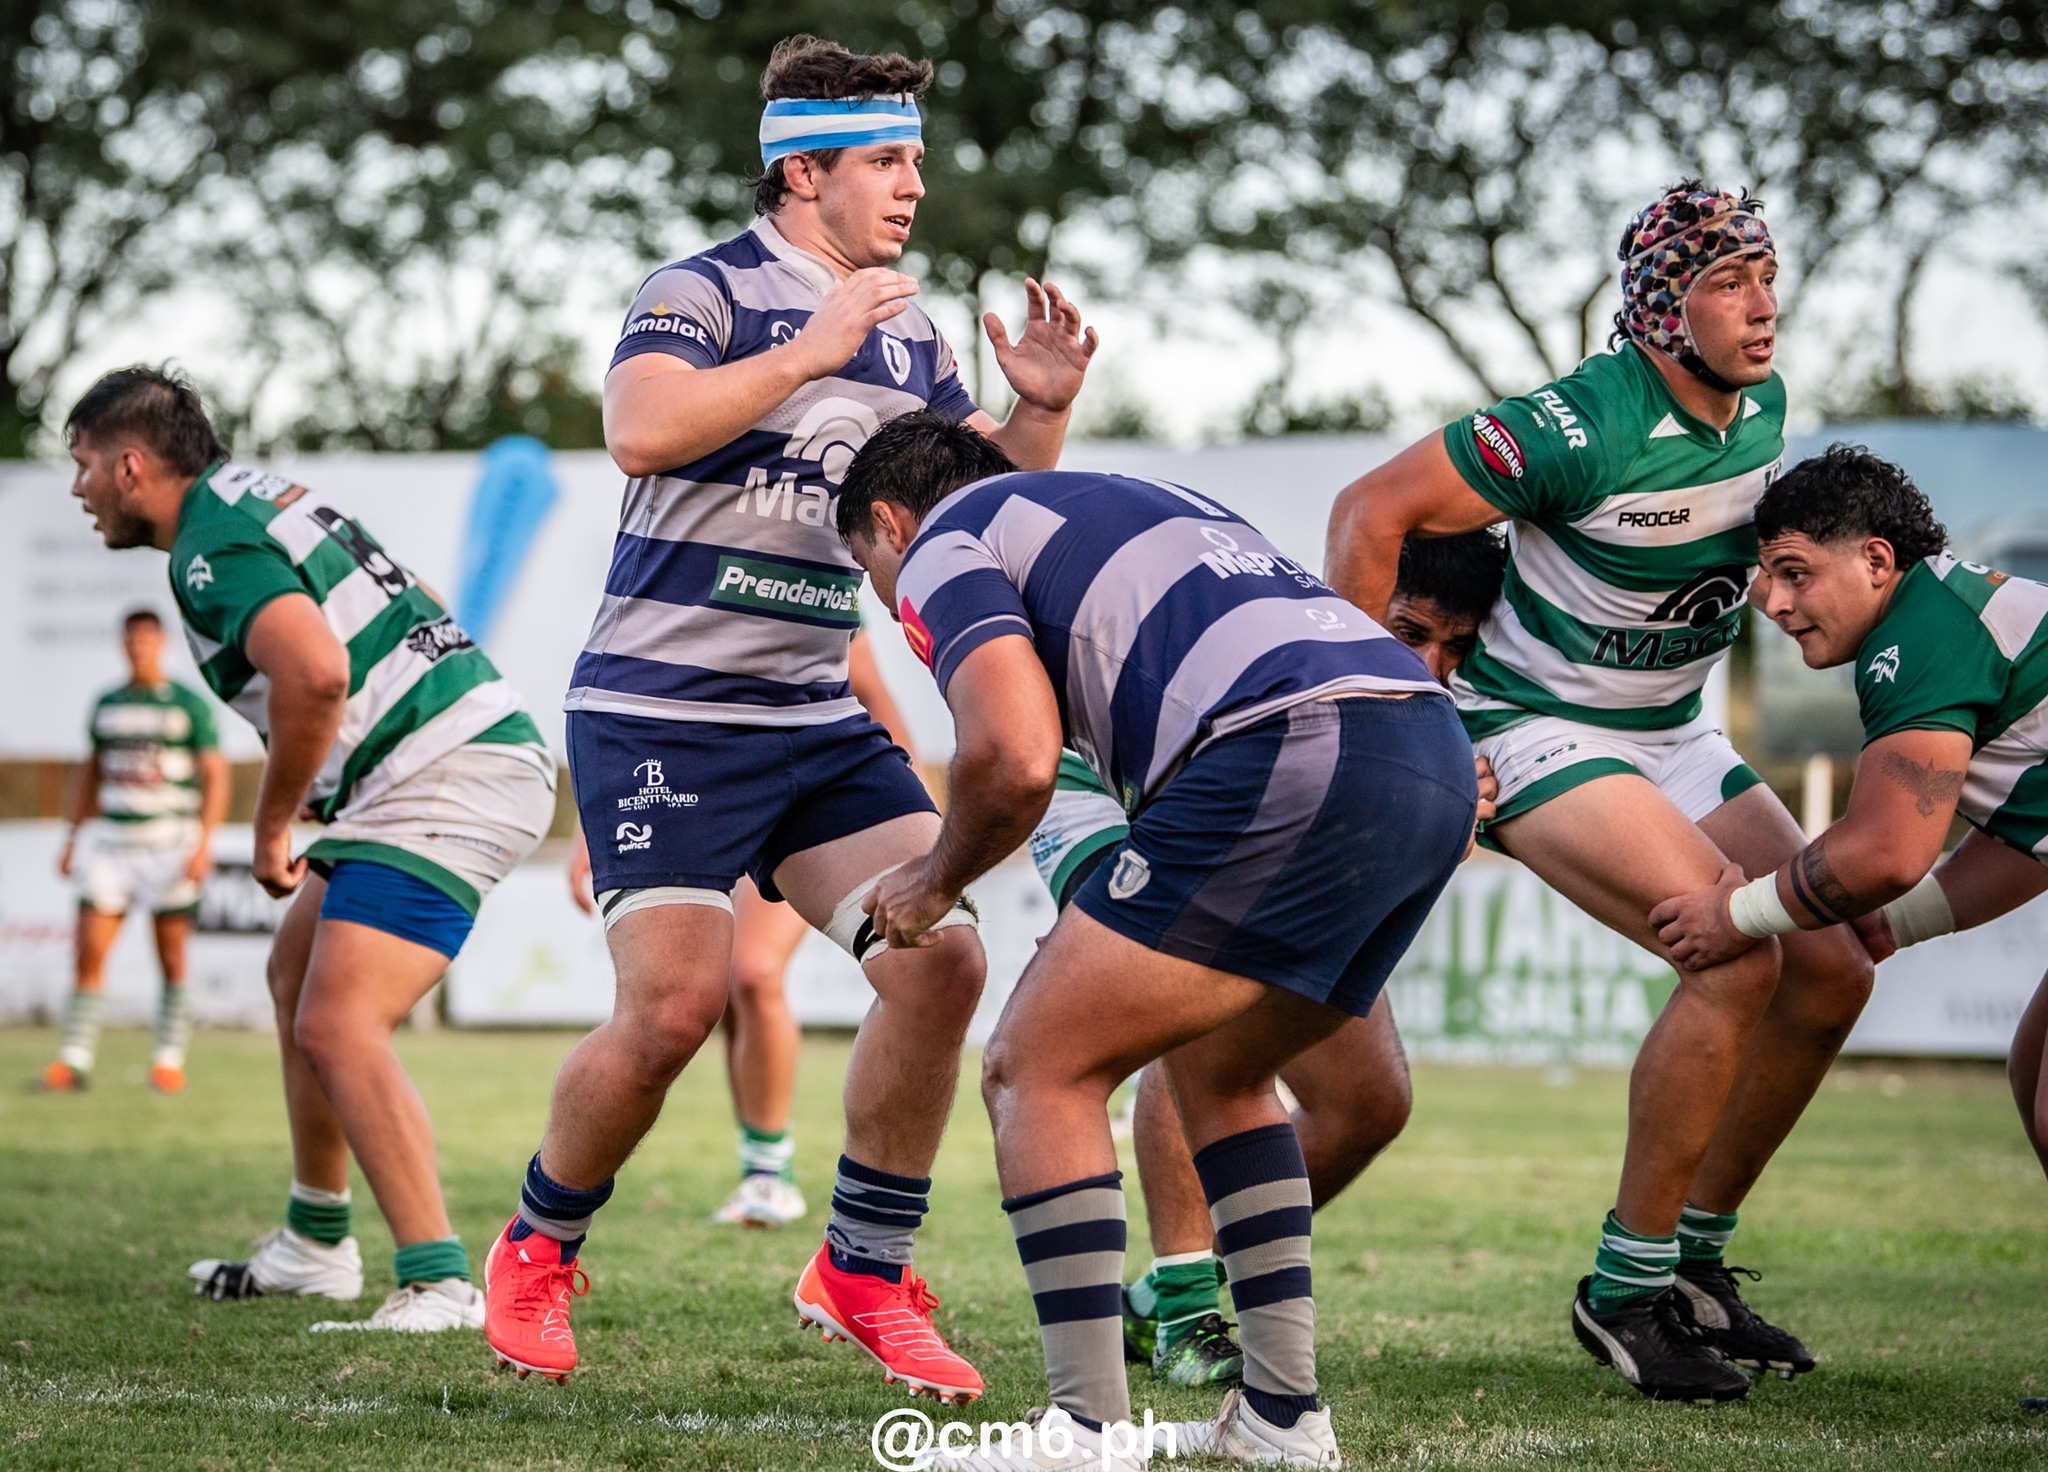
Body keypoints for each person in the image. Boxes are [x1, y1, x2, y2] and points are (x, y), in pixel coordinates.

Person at [482, 34, 1095, 1395]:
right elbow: (640, 430)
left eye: (917, 160)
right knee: (673, 1012)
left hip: (812, 714)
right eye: (887, 159)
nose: (914, 185)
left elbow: (972, 509)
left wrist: (1036, 414)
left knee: (939, 962)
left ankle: (860, 1269)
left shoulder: (914, 333)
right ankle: (537, 1242)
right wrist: (811, 348)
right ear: (802, 169)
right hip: (661, 711)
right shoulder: (699, 289)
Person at [1323, 180, 1875, 1402]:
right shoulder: (1576, 423)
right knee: (1731, 953)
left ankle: (1692, 1265)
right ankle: (1622, 1290)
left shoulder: (1762, 403)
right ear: (1662, 309)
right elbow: (1369, 510)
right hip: (1535, 726)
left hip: (1668, 728)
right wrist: (1371, 720)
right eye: (1725, 283)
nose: (1760, 306)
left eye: (1764, 277)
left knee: (1831, 965)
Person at [839, 413, 1476, 1470]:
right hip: (1430, 751)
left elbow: (1014, 757)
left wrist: (933, 878)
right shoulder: (1139, 497)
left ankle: (1084, 1430)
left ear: (890, 521)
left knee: (1035, 1064)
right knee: (1225, 1071)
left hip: (1287, 745)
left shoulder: (944, 538)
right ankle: (1281, 1418)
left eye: (870, 569)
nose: (886, 593)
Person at [64, 366, 556, 1332]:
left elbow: (317, 674)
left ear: (130, 467)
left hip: (446, 771)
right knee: (295, 979)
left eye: (82, 464)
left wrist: (270, 824)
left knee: (338, 1022)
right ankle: (316, 1242)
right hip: (428, 765)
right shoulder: (259, 498)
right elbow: (400, 609)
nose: (77, 487)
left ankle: (441, 1282)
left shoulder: (208, 544)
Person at [1027, 531, 1507, 1389]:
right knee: (1188, 1006)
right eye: (1409, 632)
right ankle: (1184, 1315)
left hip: (1255, 801)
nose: (1431, 667)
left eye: (1456, 648)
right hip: (1091, 784)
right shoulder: (1287, 649)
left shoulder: (1396, 701)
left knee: (1368, 1100)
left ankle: (1164, 1295)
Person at [1647, 450, 2048, 1415]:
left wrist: (1734, 913)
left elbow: (1882, 852)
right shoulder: (1948, 610)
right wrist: (1890, 928)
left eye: (1795, 572)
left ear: (1876, 559)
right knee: (2034, 1071)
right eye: (1764, 577)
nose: (1774, 602)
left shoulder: (1921, 634)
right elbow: (2028, 837)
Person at [564, 630, 923, 1229]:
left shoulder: (810, 587)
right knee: (697, 998)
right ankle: (755, 1157)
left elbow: (871, 690)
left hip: (791, 786)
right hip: (688, 789)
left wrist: (913, 809)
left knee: (753, 971)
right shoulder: (661, 593)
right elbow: (634, 696)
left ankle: (770, 1176)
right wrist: (594, 820)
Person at [40, 608, 229, 1095]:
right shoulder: (107, 703)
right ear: (122, 644)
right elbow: (90, 772)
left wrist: (204, 842)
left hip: (169, 844)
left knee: (172, 957)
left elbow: (216, 774)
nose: (138, 648)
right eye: (130, 640)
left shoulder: (187, 704)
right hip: (112, 845)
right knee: (89, 950)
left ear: (161, 643)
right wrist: (71, 837)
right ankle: (73, 1060)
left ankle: (168, 1060)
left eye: (146, 640)